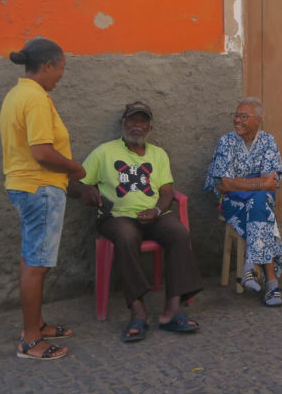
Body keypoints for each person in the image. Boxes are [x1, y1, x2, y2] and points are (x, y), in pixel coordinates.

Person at [78, 101, 203, 342]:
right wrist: (84, 191)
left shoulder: (158, 154)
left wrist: (156, 211)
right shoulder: (104, 152)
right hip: (117, 217)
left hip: (153, 216)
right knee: (126, 235)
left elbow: (167, 192)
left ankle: (172, 310)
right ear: (123, 123)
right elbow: (77, 181)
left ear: (149, 127)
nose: (137, 126)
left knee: (179, 232)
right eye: (132, 121)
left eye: (142, 121)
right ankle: (138, 311)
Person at [0, 37, 87, 361]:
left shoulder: (17, 94)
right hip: (40, 187)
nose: (62, 75)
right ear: (47, 65)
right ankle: (30, 340)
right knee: (36, 265)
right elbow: (42, 152)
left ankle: (36, 323)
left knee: (32, 259)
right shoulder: (35, 98)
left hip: (26, 186)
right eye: (61, 68)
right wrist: (74, 168)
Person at [204, 97, 282, 307]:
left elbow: (271, 182)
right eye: (236, 115)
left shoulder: (268, 141)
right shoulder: (227, 142)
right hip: (231, 204)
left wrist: (240, 183)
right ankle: (270, 282)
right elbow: (225, 185)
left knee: (259, 202)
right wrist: (258, 183)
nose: (237, 120)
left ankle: (252, 267)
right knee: (262, 205)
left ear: (258, 120)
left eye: (244, 116)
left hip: (256, 203)